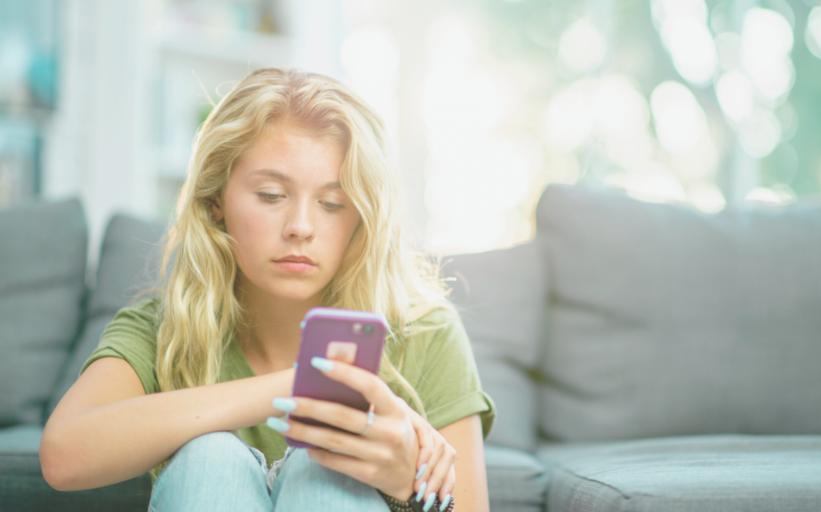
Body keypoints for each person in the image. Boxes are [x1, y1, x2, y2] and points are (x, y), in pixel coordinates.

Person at [39, 68, 495, 512]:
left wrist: (406, 490)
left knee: (324, 475)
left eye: (333, 204)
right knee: (209, 458)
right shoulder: (164, 326)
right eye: (272, 196)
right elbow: (63, 455)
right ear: (215, 200)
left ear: (362, 217)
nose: (300, 227)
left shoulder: (424, 328)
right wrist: (297, 387)